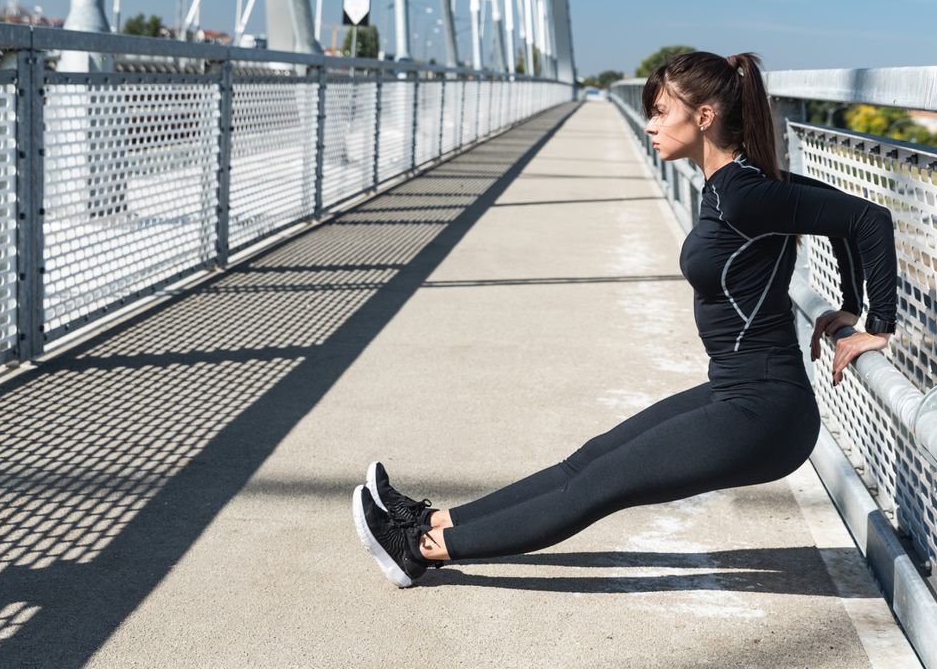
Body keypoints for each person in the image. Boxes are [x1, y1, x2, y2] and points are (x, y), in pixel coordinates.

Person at [351, 51, 898, 588]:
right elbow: (845, 220)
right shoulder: (734, 185)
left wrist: (877, 324)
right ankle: (430, 521)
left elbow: (869, 221)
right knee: (584, 463)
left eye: (661, 112)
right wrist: (848, 301)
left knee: (596, 487)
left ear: (703, 116)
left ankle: (418, 552)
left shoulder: (747, 195)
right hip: (733, 388)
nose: (650, 125)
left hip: (765, 414)